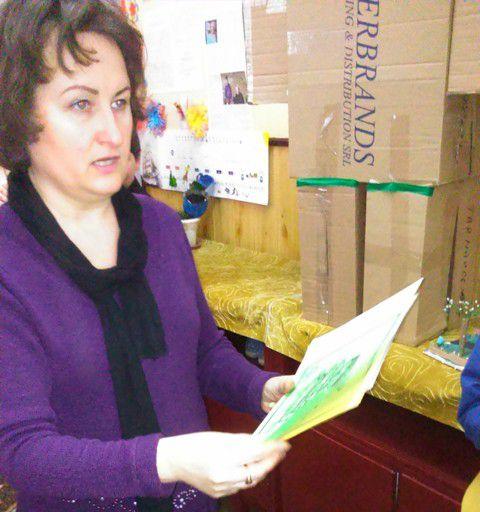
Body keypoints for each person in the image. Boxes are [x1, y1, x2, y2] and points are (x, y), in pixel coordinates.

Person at [0, 2, 294, 512]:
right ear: (20, 115)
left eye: (119, 102)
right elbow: (22, 452)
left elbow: (201, 351)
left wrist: (258, 388)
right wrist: (166, 461)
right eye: (80, 104)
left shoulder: (159, 226)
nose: (114, 132)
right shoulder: (9, 262)